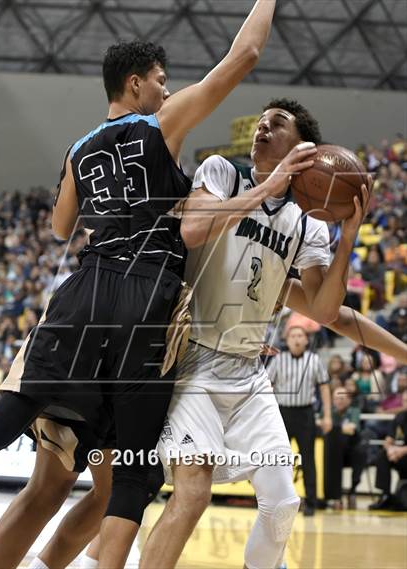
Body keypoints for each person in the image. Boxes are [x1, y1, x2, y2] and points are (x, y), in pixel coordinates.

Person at [0, 2, 281, 568]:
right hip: (144, 299)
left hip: (82, 295)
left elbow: (59, 227)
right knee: (131, 473)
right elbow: (242, 56)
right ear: (135, 83)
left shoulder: (78, 148)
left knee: (13, 420)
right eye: (162, 83)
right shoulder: (158, 124)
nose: (168, 94)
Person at [138, 98, 372, 569]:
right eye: (262, 120)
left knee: (283, 503)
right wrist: (270, 181)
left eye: (277, 122)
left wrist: (347, 239)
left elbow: (326, 310)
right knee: (191, 495)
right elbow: (195, 229)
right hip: (194, 361)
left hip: (248, 372)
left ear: (306, 148)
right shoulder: (223, 171)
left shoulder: (307, 224)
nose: (263, 126)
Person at [267, 325, 332, 516]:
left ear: (306, 340)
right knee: (278, 460)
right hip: (282, 413)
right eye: (293, 335)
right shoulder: (278, 360)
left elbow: (324, 388)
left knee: (308, 459)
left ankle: (311, 502)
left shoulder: (314, 360)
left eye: (300, 335)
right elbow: (267, 387)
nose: (296, 339)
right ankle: (274, 501)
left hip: (305, 414)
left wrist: (327, 415)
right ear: (287, 340)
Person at [324, 387, 367, 510]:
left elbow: (352, 429)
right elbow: (320, 425)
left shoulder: (354, 410)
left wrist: (333, 428)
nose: (339, 401)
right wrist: (341, 428)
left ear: (349, 400)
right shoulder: (328, 412)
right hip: (333, 452)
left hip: (351, 449)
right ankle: (335, 496)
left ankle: (352, 490)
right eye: (336, 398)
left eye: (342, 398)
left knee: (361, 453)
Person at [369, 389, 407, 511]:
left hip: (404, 452)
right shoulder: (400, 416)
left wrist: (401, 451)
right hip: (403, 455)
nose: (406, 403)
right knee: (382, 455)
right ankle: (385, 495)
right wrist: (390, 450)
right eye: (405, 401)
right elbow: (388, 439)